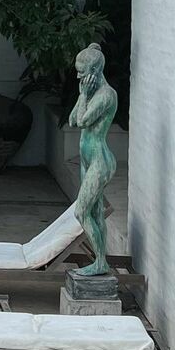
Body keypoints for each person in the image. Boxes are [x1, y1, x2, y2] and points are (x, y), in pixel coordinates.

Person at [67, 43, 118, 276]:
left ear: (95, 70)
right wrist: (82, 96)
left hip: (100, 161)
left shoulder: (106, 95)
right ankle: (100, 260)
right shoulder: (89, 93)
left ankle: (100, 263)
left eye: (82, 72)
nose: (78, 77)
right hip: (87, 161)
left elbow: (83, 121)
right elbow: (71, 119)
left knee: (81, 212)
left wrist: (84, 95)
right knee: (95, 213)